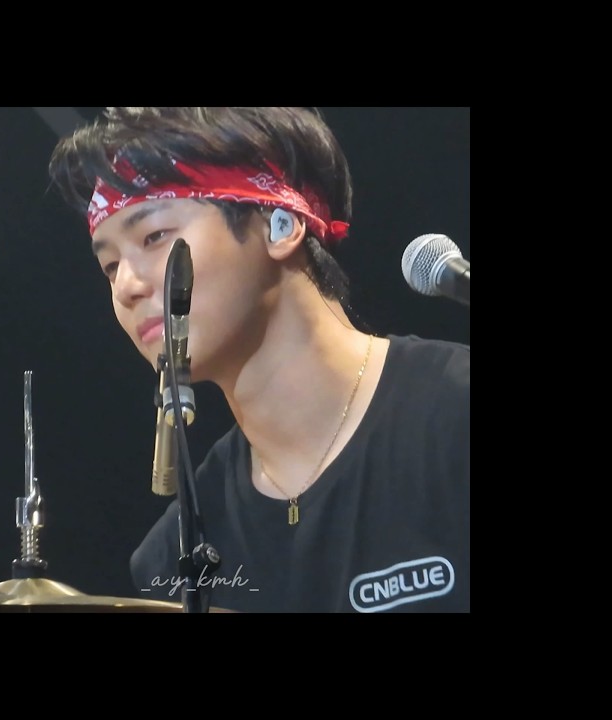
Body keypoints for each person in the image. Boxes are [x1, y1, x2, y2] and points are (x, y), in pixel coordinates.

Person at [47, 107, 469, 612]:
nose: (126, 287)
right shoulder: (176, 556)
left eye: (154, 237)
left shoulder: (455, 414)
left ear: (280, 225)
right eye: (110, 265)